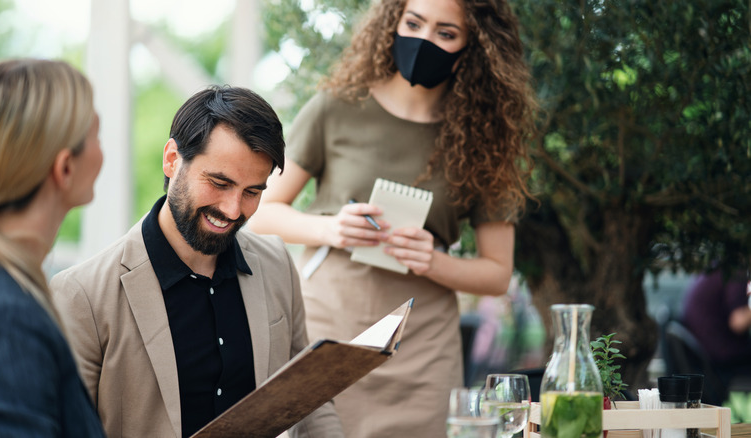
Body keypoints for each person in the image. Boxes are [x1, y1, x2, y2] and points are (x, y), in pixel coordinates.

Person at [246, 0, 537, 435]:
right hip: (328, 333)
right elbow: (260, 213)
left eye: (446, 33)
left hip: (422, 351)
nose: (423, 41)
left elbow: (497, 274)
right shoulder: (336, 107)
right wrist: (332, 227)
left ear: (474, 46)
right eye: (414, 23)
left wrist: (432, 260)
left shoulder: (485, 139)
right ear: (393, 22)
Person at [50, 85, 344, 438]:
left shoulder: (277, 262)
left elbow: (307, 395)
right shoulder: (81, 294)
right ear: (172, 159)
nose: (233, 209)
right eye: (219, 182)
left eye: (252, 192)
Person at [0, 59, 105, 437]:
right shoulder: (4, 318)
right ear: (64, 168)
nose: (102, 152)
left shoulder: (0, 288)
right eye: (97, 134)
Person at [681, 267, 751, 400]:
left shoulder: (715, 268)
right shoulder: (734, 269)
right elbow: (738, 322)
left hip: (702, 356)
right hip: (720, 361)